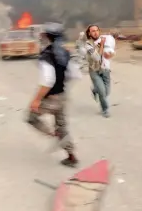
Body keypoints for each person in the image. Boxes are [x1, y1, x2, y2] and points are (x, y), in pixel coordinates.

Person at [26, 23, 82, 168]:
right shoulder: (66, 53)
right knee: (62, 126)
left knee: (31, 117)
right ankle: (71, 156)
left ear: (48, 37)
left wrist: (37, 99)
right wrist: (61, 84)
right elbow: (75, 75)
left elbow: (47, 81)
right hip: (62, 96)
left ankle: (53, 135)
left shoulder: (47, 55)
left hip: (51, 98)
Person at [85, 25, 114, 118]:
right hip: (94, 70)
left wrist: (110, 54)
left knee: (107, 92)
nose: (95, 32)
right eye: (93, 31)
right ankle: (105, 109)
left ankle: (95, 89)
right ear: (89, 33)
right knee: (102, 92)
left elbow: (111, 50)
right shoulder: (88, 44)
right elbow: (97, 57)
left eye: (97, 30)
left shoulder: (106, 39)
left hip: (105, 69)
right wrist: (102, 45)